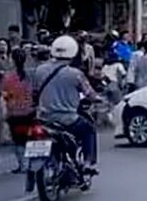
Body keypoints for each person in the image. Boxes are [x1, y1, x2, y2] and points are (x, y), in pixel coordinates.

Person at [34, 35, 99, 170]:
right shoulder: (75, 74)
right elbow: (89, 94)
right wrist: (98, 99)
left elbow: (34, 92)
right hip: (68, 120)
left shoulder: (39, 70)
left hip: (43, 119)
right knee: (89, 130)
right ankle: (88, 163)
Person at [1, 48, 35, 173]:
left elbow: (5, 96)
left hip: (14, 113)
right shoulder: (32, 75)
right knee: (30, 138)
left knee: (18, 140)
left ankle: (22, 165)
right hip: (30, 112)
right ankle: (32, 163)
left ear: (12, 60)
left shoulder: (8, 77)